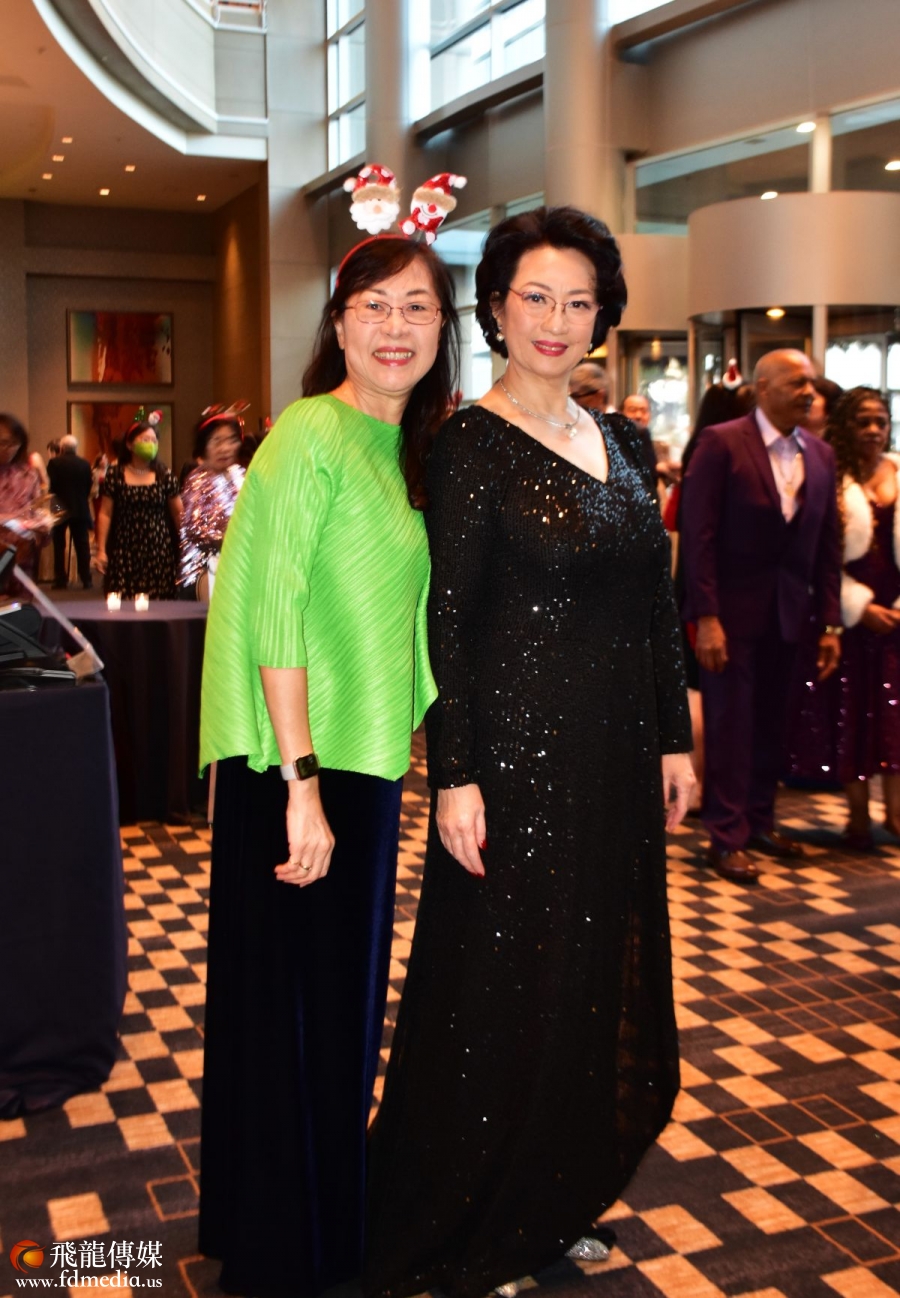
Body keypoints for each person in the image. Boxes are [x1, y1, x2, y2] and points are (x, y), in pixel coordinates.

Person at [364, 206, 694, 1298]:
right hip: (513, 764)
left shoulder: (627, 442)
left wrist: (674, 736)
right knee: (502, 989)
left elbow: (655, 604)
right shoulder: (468, 444)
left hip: (614, 760)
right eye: (535, 297)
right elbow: (447, 624)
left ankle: (554, 1194)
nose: (557, 320)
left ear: (604, 316)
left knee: (588, 981)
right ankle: (468, 1206)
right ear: (497, 309)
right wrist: (453, 772)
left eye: (579, 301)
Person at [197, 234, 461, 1298]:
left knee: (337, 1005)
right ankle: (284, 1249)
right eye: (375, 306)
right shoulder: (310, 430)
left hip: (362, 762)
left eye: (419, 308)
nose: (397, 327)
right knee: (295, 1010)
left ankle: (305, 1221)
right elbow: (273, 608)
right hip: (296, 765)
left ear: (443, 330)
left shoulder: (411, 449)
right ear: (340, 322)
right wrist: (301, 784)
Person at [680, 349, 842, 884]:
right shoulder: (722, 443)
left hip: (792, 615)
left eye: (812, 383)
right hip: (730, 617)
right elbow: (698, 537)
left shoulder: (821, 455)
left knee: (775, 722)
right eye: (798, 383)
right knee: (730, 726)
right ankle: (726, 836)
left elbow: (828, 545)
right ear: (764, 387)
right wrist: (706, 617)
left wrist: (830, 623)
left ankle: (760, 822)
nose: (809, 393)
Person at [665, 378, 757, 812]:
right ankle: (699, 784)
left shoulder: (699, 454)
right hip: (704, 595)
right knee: (702, 694)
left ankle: (701, 785)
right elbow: (691, 534)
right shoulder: (720, 451)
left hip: (696, 590)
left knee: (702, 692)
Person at [825, 388, 900, 847]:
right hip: (851, 615)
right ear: (846, 426)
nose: (873, 430)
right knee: (851, 715)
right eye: (863, 421)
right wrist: (856, 607)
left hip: (896, 612)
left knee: (896, 717)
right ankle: (856, 818)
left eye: (881, 421)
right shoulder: (831, 476)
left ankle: (896, 815)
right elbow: (820, 556)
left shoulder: (899, 470)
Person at [93, 413, 182, 598]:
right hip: (124, 549)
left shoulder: (165, 476)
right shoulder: (115, 475)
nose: (150, 444)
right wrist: (101, 550)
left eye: (154, 441)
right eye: (145, 440)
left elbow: (178, 514)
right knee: (122, 601)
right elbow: (105, 513)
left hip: (159, 550)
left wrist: (185, 547)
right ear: (129, 444)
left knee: (160, 602)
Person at [178, 409, 245, 600]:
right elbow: (195, 529)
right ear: (204, 446)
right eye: (217, 441)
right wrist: (235, 537)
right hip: (203, 571)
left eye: (231, 440)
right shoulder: (197, 479)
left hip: (238, 567)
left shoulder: (241, 475)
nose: (225, 448)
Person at [0, 413, 48, 587]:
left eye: (14, 443)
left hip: (21, 558)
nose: (8, 449)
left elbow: (36, 509)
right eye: (3, 442)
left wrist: (42, 526)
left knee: (18, 603)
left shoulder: (27, 474)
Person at [47, 434, 93, 590]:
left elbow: (51, 486)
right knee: (82, 545)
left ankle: (60, 578)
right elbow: (88, 485)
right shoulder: (85, 464)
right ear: (75, 448)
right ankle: (86, 578)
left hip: (59, 507)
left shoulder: (54, 463)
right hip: (80, 507)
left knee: (59, 545)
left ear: (62, 448)